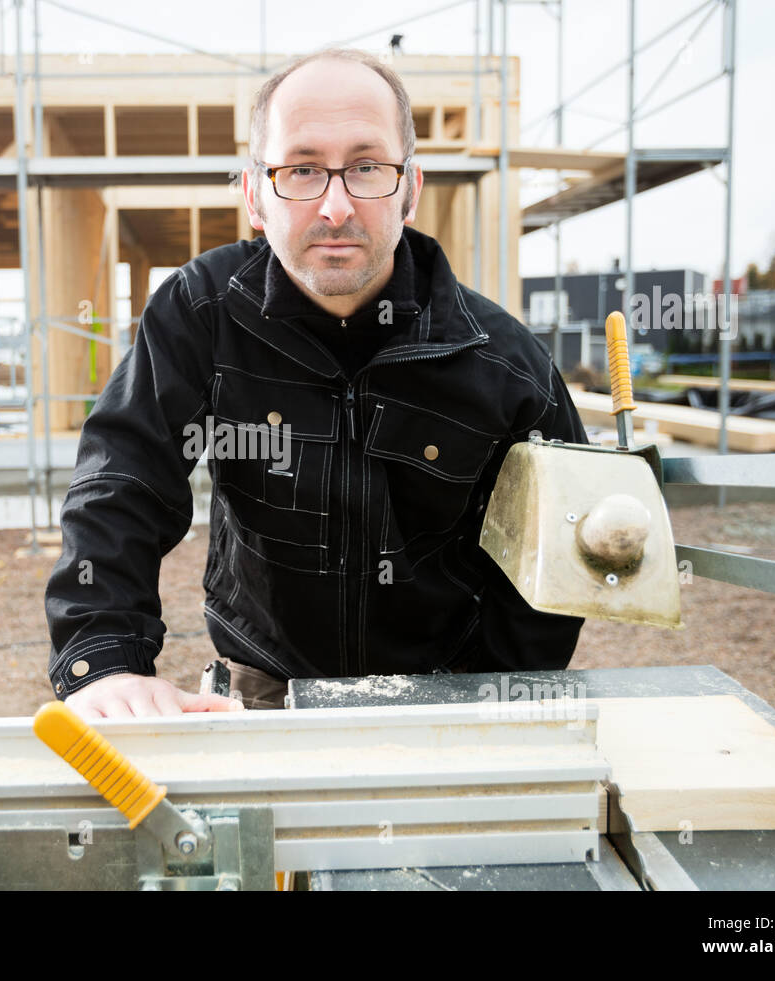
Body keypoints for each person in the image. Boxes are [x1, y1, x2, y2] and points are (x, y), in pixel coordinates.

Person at [45, 48, 588, 720]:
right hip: (262, 686)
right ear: (254, 196)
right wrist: (104, 656)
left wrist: (480, 697)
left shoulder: (504, 363)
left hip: (448, 694)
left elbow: (558, 558)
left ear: (411, 189)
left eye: (366, 167)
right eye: (301, 169)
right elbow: (122, 480)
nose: (335, 207)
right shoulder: (202, 314)